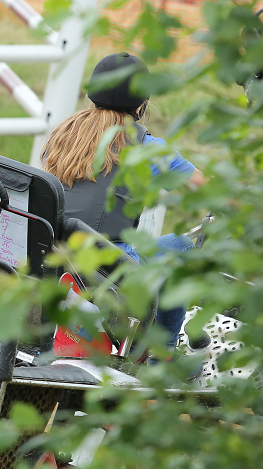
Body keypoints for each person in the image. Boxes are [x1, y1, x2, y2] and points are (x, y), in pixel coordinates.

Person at [41, 52, 205, 352]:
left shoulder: (65, 133)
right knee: (181, 247)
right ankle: (162, 358)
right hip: (108, 273)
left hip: (55, 258)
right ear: (141, 105)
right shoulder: (146, 147)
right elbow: (209, 188)